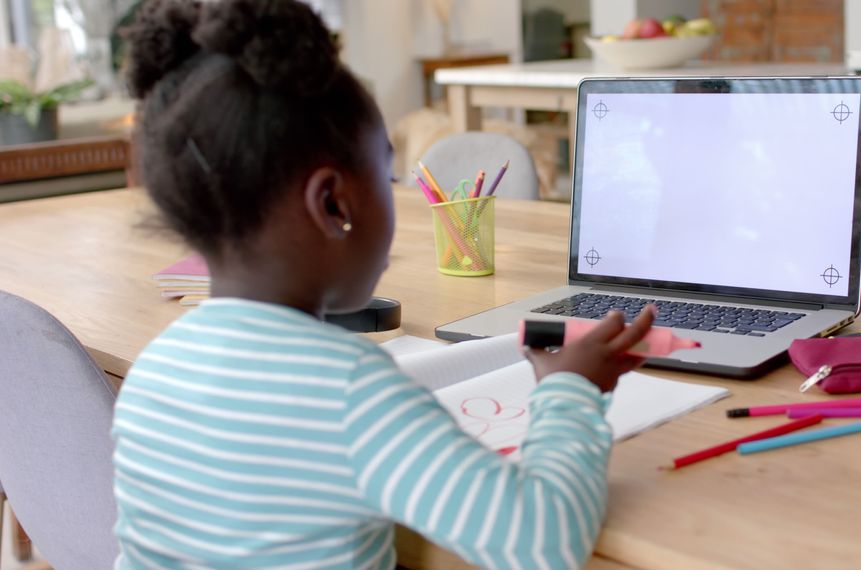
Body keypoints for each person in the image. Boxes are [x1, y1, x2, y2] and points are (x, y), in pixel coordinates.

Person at [111, 1, 656, 568]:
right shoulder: (350, 391)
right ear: (332, 203)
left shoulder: (154, 372)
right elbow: (542, 539)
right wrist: (570, 391)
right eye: (388, 173)